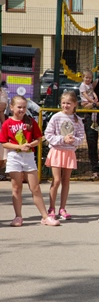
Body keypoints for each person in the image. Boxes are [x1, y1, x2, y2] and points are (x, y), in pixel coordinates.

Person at [0, 95, 60, 227]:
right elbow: (4, 142)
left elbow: (38, 139)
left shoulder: (30, 122)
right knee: (16, 187)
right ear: (12, 107)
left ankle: (45, 217)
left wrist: (30, 144)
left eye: (24, 107)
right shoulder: (7, 124)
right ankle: (18, 216)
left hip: (28, 157)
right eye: (19, 107)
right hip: (14, 157)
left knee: (35, 187)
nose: (21, 110)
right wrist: (19, 146)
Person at [44, 91, 85, 220]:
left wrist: (73, 140)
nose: (66, 105)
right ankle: (51, 208)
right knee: (56, 180)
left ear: (75, 104)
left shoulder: (78, 120)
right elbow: (48, 134)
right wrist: (62, 139)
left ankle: (62, 208)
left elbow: (81, 137)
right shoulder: (56, 117)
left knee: (66, 180)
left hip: (69, 152)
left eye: (68, 103)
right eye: (63, 103)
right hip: (57, 151)